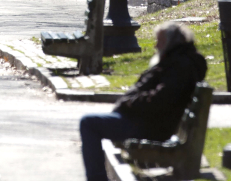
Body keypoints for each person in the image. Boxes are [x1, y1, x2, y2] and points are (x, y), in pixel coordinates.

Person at [79, 23, 207, 181]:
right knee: (92, 122)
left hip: (149, 127)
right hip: (146, 122)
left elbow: (161, 100)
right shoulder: (175, 62)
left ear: (170, 42)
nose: (155, 45)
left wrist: (130, 103)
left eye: (159, 41)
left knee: (89, 123)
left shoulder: (179, 67)